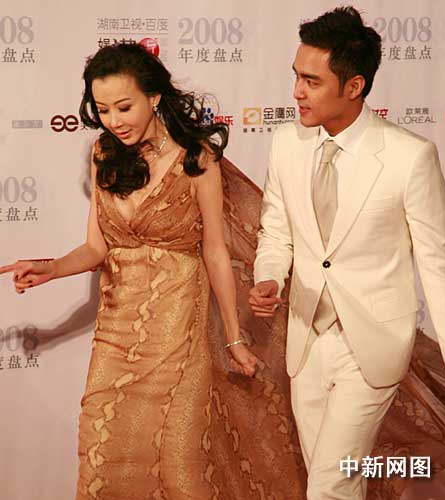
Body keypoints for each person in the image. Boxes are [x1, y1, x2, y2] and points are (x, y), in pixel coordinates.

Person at [0, 43, 306, 500]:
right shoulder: (104, 154)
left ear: (155, 97)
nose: (114, 120)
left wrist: (234, 338)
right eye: (103, 109)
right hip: (116, 332)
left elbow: (216, 252)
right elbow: (96, 247)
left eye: (124, 107)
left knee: (179, 463)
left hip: (179, 334)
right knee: (102, 457)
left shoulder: (196, 159)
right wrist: (52, 268)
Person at [248, 7, 445, 500]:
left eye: (311, 81)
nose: (296, 92)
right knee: (335, 479)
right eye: (296, 76)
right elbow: (276, 233)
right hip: (306, 339)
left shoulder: (409, 156)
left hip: (373, 345)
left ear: (354, 86)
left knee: (330, 483)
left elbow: (438, 270)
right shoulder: (286, 143)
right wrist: (269, 276)